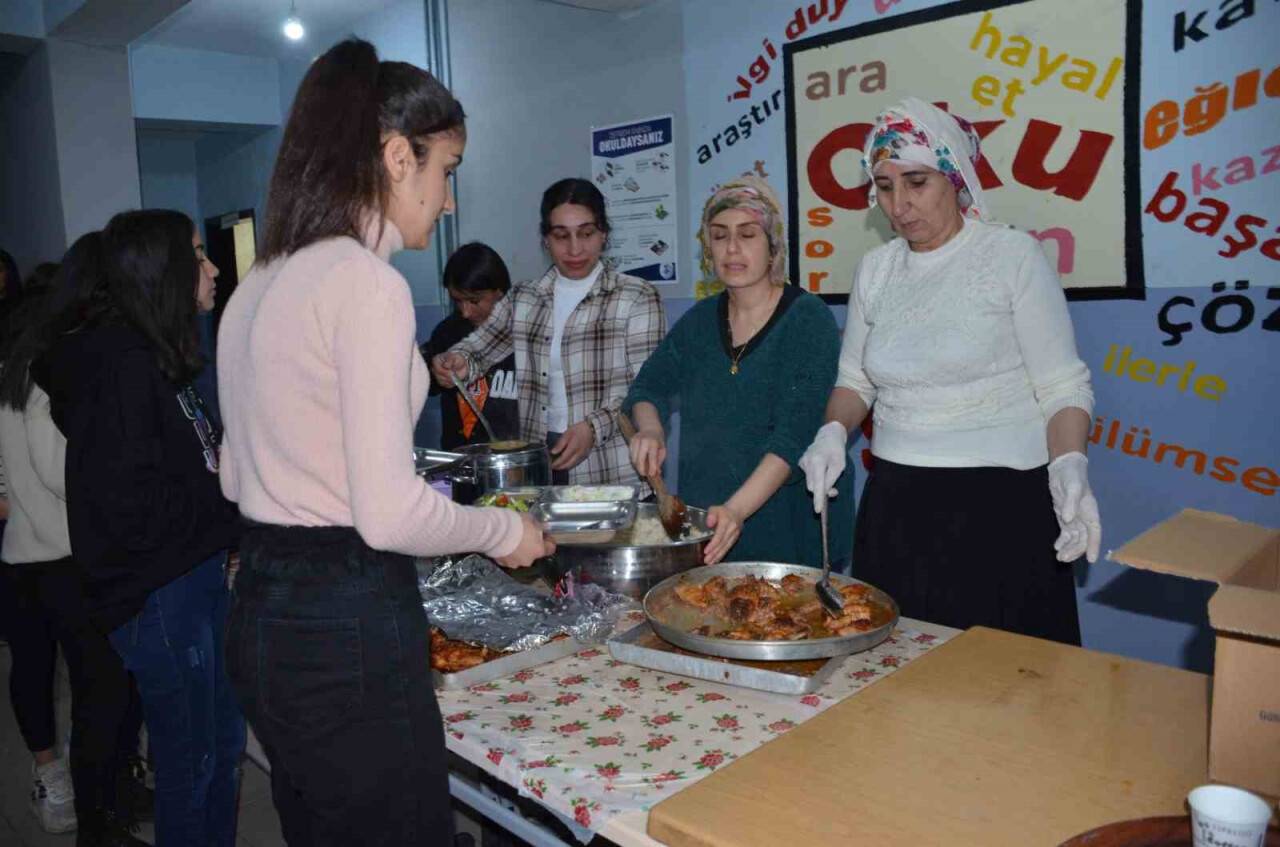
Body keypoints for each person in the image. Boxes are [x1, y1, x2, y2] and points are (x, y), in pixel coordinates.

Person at [217, 38, 553, 846]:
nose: (446, 203)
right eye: (447, 171)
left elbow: (235, 475)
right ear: (397, 157)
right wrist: (507, 531)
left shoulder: (258, 282)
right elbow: (387, 515)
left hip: (261, 609)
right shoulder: (365, 285)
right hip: (344, 621)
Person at [798, 97, 1100, 644]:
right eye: (885, 187)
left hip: (1001, 507)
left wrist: (1069, 463)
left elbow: (1062, 386)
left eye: (916, 182)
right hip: (897, 503)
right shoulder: (877, 269)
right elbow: (855, 382)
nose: (899, 204)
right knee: (900, 678)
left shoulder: (1012, 256)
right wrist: (832, 431)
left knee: (1007, 679)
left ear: (955, 178)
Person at [37, 210, 244, 846]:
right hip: (162, 596)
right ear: (164, 270)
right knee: (192, 767)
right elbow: (132, 514)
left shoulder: (159, 357)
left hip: (193, 579)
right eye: (198, 256)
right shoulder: (122, 369)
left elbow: (189, 468)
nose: (211, 269)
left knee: (222, 751)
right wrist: (233, 506)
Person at [623, 175, 851, 566]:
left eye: (747, 235)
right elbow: (648, 387)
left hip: (787, 528)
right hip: (709, 523)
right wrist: (650, 428)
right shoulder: (698, 321)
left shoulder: (808, 320)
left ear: (773, 245)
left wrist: (736, 511)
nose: (732, 249)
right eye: (719, 235)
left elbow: (792, 437)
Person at [431, 178, 666, 486]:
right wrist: (457, 361)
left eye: (586, 233)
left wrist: (592, 428)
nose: (574, 249)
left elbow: (644, 388)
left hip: (611, 468)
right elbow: (479, 348)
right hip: (540, 468)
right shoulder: (525, 298)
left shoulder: (636, 297)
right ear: (545, 239)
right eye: (561, 236)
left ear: (604, 234)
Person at [420, 242, 518, 449]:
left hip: (515, 460)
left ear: (499, 292)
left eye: (474, 301)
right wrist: (433, 370)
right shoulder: (446, 333)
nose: (465, 312)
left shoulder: (526, 332)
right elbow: (422, 385)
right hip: (459, 459)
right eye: (457, 300)